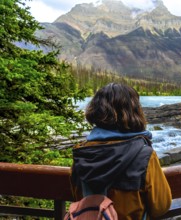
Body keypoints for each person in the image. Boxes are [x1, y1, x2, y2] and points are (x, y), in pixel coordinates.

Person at [70, 83, 172, 220]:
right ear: (134, 111)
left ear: (96, 110)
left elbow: (77, 196)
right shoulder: (145, 156)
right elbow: (161, 206)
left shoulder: (82, 153)